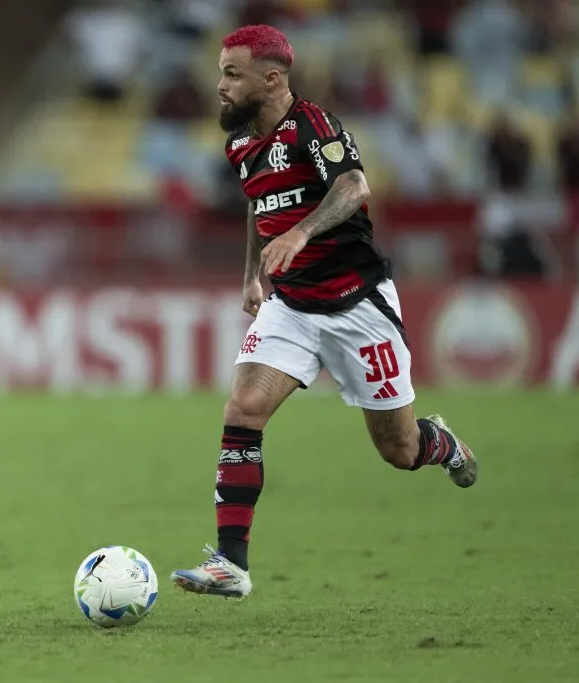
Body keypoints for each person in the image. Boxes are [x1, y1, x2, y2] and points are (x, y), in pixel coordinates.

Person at [169, 26, 477, 599]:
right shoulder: (239, 143)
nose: (221, 85)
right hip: (291, 305)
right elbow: (257, 207)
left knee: (398, 450)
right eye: (220, 72)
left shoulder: (314, 125)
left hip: (358, 305)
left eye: (232, 74)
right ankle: (231, 566)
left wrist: (301, 232)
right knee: (243, 408)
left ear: (272, 78)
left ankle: (442, 443)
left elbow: (354, 187)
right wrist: (252, 272)